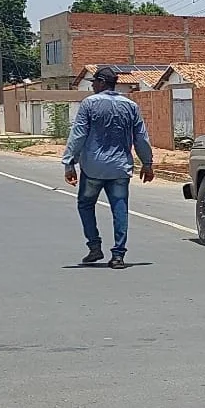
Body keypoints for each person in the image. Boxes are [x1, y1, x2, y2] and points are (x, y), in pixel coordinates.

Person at [61, 67, 155, 269]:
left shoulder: (89, 104)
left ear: (102, 82)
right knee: (120, 209)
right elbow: (141, 138)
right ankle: (119, 255)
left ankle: (94, 246)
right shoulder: (130, 106)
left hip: (93, 168)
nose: (92, 85)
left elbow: (78, 135)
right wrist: (147, 163)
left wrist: (69, 163)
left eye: (94, 82)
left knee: (85, 205)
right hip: (120, 168)